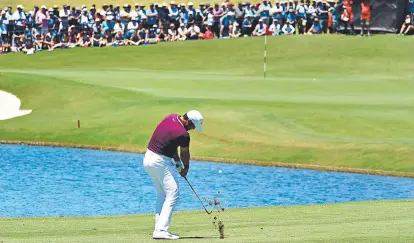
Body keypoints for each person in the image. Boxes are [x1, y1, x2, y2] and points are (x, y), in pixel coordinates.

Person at [143, 110, 204, 240]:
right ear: (188, 121)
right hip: (159, 161)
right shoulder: (184, 134)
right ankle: (160, 230)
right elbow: (184, 154)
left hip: (148, 159)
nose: (193, 129)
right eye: (193, 125)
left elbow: (171, 145)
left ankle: (158, 228)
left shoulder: (171, 117)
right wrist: (185, 168)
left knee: (162, 194)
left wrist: (177, 163)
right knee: (173, 193)